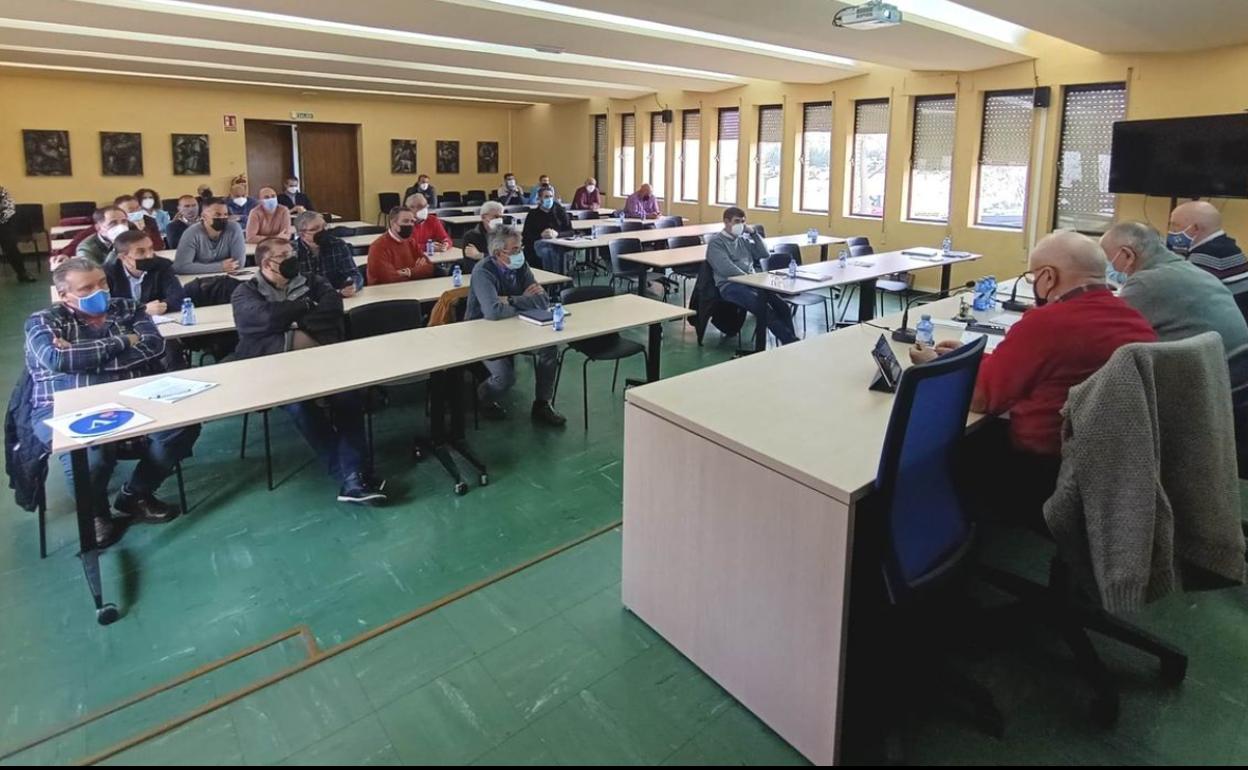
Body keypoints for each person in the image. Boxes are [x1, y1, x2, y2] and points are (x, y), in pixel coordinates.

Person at [909, 230, 1157, 524]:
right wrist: (965, 358)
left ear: (1049, 277)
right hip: (1109, 466)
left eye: (1032, 277)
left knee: (936, 446)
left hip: (1043, 468)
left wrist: (933, 367)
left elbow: (981, 398)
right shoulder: (1129, 316)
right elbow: (1033, 367)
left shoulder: (1048, 323)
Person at [27, 258, 201, 546]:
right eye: (87, 288)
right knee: (93, 453)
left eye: (102, 283)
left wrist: (83, 356)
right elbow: (57, 359)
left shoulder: (128, 307)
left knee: (183, 427)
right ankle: (95, 513)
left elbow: (154, 347)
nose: (100, 291)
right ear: (63, 294)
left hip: (133, 394)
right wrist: (125, 341)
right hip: (64, 405)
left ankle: (136, 494)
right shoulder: (43, 321)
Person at [231, 239, 385, 504]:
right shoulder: (245, 292)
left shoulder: (314, 282)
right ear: (267, 263)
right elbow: (260, 319)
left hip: (321, 360)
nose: (293, 259)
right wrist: (303, 308)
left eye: (292, 253)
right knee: (302, 407)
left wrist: (285, 324)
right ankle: (352, 475)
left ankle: (352, 478)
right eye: (284, 256)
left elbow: (333, 309)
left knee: (348, 398)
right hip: (273, 368)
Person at [466, 225, 566, 427]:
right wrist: (523, 299)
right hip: (482, 330)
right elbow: (493, 313)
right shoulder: (483, 271)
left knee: (549, 349)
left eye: (520, 248)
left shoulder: (520, 265)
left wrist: (509, 300)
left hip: (519, 324)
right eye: (515, 250)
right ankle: (482, 396)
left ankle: (542, 403)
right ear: (498, 253)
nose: (520, 253)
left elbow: (542, 300)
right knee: (506, 378)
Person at [705, 207, 798, 346]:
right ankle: (790, 342)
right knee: (764, 310)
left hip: (752, 283)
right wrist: (750, 279)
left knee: (782, 306)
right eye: (737, 221)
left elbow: (765, 254)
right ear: (726, 222)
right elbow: (726, 269)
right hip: (730, 285)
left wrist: (754, 233)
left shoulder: (743, 240)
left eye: (743, 222)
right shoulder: (716, 243)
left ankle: (791, 342)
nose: (740, 225)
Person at [104, 230, 185, 317]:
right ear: (123, 257)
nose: (149, 255)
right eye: (141, 252)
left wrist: (161, 306)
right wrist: (142, 310)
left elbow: (179, 298)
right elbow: (105, 308)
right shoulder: (108, 272)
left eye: (151, 249)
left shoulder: (162, 265)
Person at [1167, 200, 1248, 285]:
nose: (1171, 230)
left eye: (1175, 225)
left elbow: (1179, 289)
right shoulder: (1225, 246)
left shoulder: (1207, 257)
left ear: (1196, 228)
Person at [293, 211, 362, 297]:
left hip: (338, 297)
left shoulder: (338, 244)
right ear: (302, 234)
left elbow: (354, 274)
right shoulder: (292, 252)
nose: (322, 231)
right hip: (307, 301)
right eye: (315, 228)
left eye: (324, 226)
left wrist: (353, 285)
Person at [172, 198, 246, 275]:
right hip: (198, 280)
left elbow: (238, 264)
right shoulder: (192, 233)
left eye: (225, 214)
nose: (222, 218)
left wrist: (197, 267)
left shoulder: (234, 229)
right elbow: (180, 266)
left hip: (227, 278)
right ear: (203, 216)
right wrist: (220, 267)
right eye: (217, 214)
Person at [366, 207, 437, 285]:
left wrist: (409, 272)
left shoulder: (410, 242)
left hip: (411, 289)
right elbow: (389, 279)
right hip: (385, 294)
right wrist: (417, 270)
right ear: (393, 223)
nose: (410, 225)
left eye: (412, 221)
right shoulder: (378, 247)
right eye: (406, 221)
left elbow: (430, 269)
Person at [520, 186, 570, 270]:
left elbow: (570, 231)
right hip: (538, 244)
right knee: (547, 252)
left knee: (559, 252)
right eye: (546, 197)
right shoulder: (533, 214)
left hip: (558, 243)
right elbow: (526, 236)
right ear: (539, 199)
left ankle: (561, 278)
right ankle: (553, 277)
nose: (549, 199)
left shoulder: (559, 211)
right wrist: (540, 235)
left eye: (551, 196)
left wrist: (557, 234)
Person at [0, 185, 35, 282]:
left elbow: (10, 208)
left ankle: (22, 273)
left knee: (11, 249)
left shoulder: (1, 190)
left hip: (2, 224)